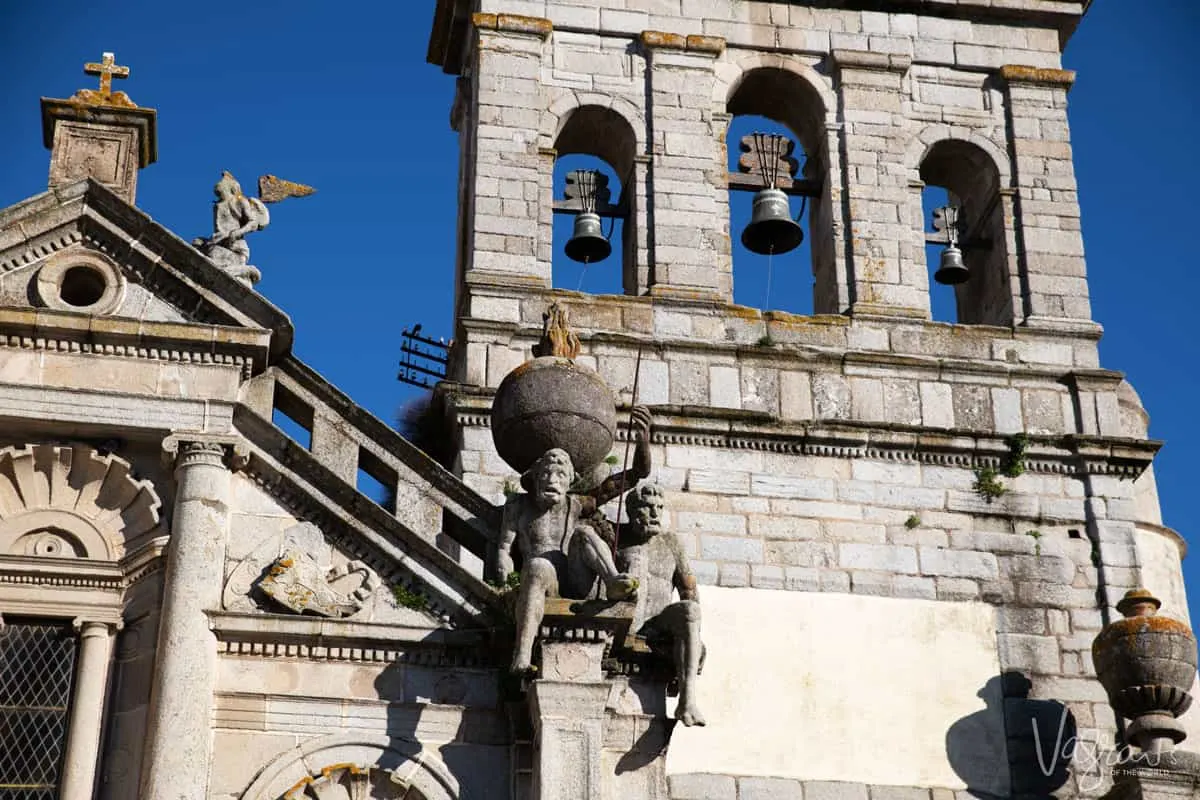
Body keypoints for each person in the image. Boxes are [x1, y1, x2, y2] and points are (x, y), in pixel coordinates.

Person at [495, 406, 652, 675]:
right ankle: (521, 656)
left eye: (560, 476)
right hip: (544, 581)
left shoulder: (577, 504)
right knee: (537, 566)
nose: (552, 481)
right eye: (546, 474)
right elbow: (503, 545)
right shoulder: (518, 506)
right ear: (534, 478)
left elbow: (633, 476)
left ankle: (613, 581)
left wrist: (643, 441)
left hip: (574, 576)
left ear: (569, 482)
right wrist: (502, 565)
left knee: (583, 533)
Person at [619, 483, 706, 727]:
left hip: (659, 623)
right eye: (647, 507)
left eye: (659, 507)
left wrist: (692, 640)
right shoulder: (616, 536)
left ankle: (688, 701)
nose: (655, 513)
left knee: (690, 611)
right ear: (632, 510)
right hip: (624, 620)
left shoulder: (671, 543)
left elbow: (689, 591)